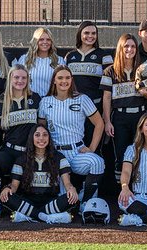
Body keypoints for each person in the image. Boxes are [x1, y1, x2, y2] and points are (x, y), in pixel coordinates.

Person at [38, 65, 105, 213]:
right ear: (54, 81)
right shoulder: (45, 102)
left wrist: (92, 148)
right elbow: (41, 130)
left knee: (97, 162)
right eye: (60, 78)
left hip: (76, 151)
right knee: (65, 202)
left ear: (72, 80)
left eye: (67, 77)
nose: (64, 81)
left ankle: (86, 202)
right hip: (56, 154)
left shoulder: (82, 99)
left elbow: (99, 123)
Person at [0, 64, 41, 219]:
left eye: (23, 77)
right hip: (10, 150)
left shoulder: (35, 98)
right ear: (10, 78)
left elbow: (42, 127)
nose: (20, 80)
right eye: (16, 77)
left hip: (31, 152)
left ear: (28, 80)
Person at [101, 34, 147, 184]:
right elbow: (106, 98)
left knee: (141, 154)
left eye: (132, 46)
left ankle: (140, 189)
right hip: (119, 118)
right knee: (122, 156)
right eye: (126, 46)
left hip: (140, 117)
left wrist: (145, 92)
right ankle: (122, 192)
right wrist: (107, 122)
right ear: (120, 48)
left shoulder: (143, 68)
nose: (129, 49)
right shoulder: (110, 72)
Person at [0, 124, 78, 224]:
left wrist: (72, 189)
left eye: (45, 135)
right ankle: (48, 217)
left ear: (49, 138)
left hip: (50, 201)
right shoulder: (22, 159)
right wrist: (8, 188)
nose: (41, 138)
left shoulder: (59, 157)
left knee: (72, 198)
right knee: (6, 197)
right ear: (31, 138)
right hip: (28, 200)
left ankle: (29, 216)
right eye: (37, 135)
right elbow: (14, 186)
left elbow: (67, 184)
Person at [64, 21, 113, 148]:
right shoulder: (70, 56)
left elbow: (109, 89)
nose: (90, 36)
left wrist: (105, 114)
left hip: (95, 108)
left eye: (93, 33)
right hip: (73, 108)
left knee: (93, 147)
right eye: (86, 33)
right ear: (80, 34)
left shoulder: (104, 56)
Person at [14, 27, 65, 97]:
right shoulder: (24, 59)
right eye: (41, 39)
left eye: (48, 40)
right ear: (35, 41)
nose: (45, 42)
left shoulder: (59, 60)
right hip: (29, 101)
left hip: (50, 102)